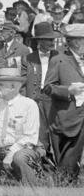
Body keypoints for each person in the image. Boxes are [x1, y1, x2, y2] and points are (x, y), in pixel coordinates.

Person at [43, 24, 84, 182]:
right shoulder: (58, 60)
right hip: (67, 119)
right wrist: (68, 91)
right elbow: (47, 88)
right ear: (74, 42)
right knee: (67, 166)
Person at [0, 68, 41, 185]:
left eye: (1, 84)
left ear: (13, 87)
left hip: (23, 149)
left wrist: (11, 154)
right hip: (2, 150)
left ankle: (33, 193)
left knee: (19, 158)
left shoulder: (29, 105)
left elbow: (30, 138)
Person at [22, 22, 60, 161]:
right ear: (39, 40)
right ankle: (42, 166)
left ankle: (61, 168)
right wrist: (26, 101)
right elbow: (22, 81)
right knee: (39, 134)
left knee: (56, 133)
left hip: (54, 99)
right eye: (48, 39)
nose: (52, 42)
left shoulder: (59, 57)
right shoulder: (29, 58)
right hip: (35, 100)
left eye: (52, 39)